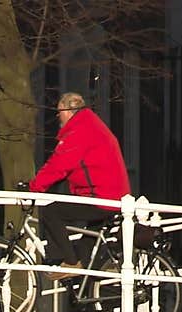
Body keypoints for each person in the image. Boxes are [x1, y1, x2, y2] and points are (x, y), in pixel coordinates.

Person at [27, 93, 130, 273]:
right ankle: (84, 287)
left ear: (68, 111)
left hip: (101, 197)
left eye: (59, 112)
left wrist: (34, 187)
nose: (58, 117)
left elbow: (58, 165)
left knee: (51, 212)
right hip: (110, 195)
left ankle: (68, 262)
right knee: (85, 256)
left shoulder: (80, 131)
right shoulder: (91, 124)